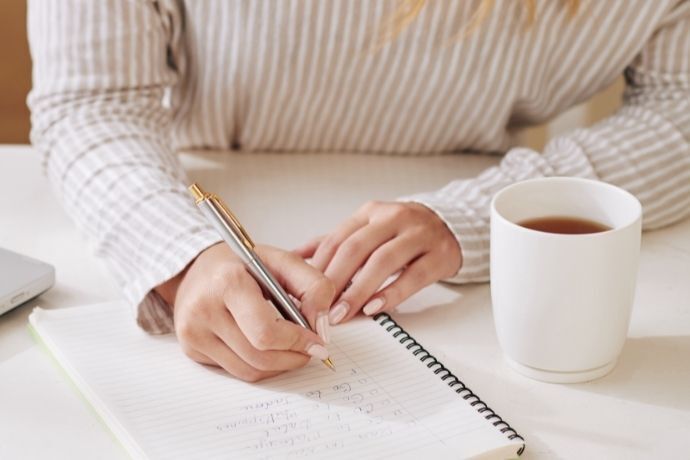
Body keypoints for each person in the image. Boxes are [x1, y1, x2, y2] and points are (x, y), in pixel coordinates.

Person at [28, 0, 690, 382]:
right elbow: (93, 100)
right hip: (187, 202)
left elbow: (680, 105)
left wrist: (475, 216)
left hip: (478, 307)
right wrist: (182, 254)